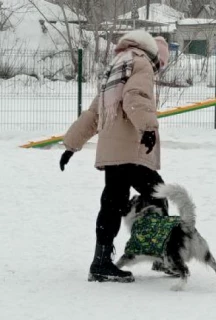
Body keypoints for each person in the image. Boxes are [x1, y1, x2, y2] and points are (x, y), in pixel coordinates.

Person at [59, 30, 170, 283]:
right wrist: (148, 128)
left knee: (112, 202)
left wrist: (71, 144)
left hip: (112, 150)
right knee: (159, 193)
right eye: (161, 65)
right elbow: (136, 97)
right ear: (155, 55)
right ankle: (162, 257)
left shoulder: (118, 64)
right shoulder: (141, 63)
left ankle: (101, 262)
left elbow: (95, 112)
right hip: (131, 148)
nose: (159, 70)